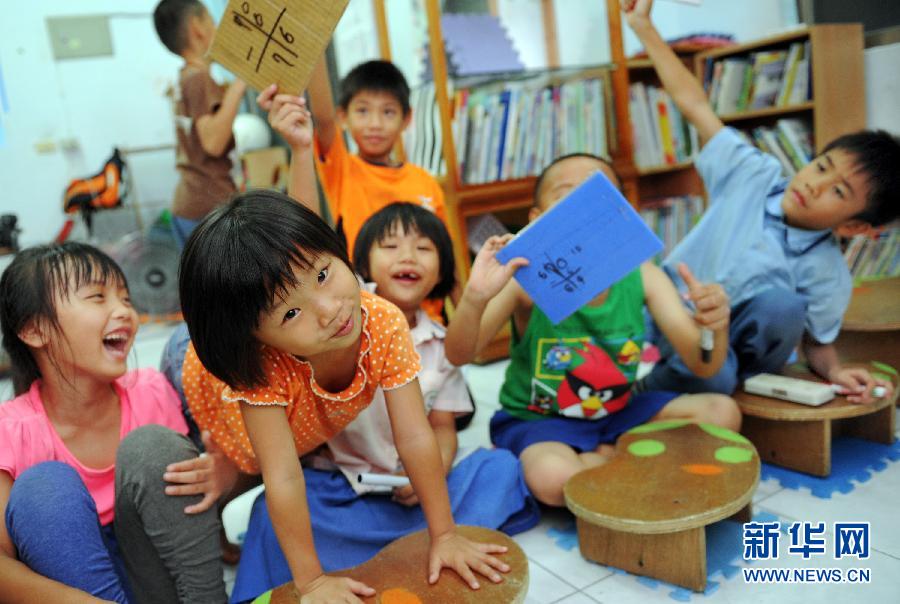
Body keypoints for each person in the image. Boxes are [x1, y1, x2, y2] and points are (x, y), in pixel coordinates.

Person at [177, 190, 511, 603]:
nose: (329, 309)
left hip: (303, 427)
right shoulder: (256, 364)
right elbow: (281, 475)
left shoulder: (383, 321)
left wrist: (444, 535)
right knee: (230, 468)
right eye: (291, 313)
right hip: (203, 371)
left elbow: (415, 436)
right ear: (257, 338)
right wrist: (313, 583)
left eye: (321, 275)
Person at [621, 0, 900, 403]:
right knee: (625, 337)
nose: (814, 185)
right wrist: (644, 27)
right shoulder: (754, 173)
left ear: (854, 227)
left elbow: (816, 345)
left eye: (838, 192)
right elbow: (696, 106)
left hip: (724, 349)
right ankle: (671, 380)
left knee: (783, 307)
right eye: (821, 167)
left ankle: (689, 383)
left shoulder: (828, 274)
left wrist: (837, 371)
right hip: (667, 313)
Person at [445, 154, 742, 507]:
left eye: (594, 192)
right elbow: (460, 354)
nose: (579, 205)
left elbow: (703, 365)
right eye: (565, 193)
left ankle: (605, 457)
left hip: (617, 412)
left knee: (723, 412)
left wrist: (715, 327)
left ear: (622, 216)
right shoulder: (523, 280)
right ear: (537, 221)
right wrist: (475, 298)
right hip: (539, 420)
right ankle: (618, 460)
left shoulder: (642, 274)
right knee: (554, 479)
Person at [0, 242, 231, 603]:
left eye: (125, 298)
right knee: (43, 488)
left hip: (159, 583)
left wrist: (223, 473)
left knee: (152, 447)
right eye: (97, 296)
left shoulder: (150, 392)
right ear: (34, 329)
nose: (124, 310)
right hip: (74, 591)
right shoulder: (10, 430)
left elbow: (188, 512)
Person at [307, 58, 447, 256]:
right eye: (363, 111)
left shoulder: (426, 182)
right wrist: (314, 39)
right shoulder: (341, 169)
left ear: (406, 119)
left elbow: (444, 254)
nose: (375, 124)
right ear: (343, 116)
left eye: (388, 112)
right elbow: (323, 119)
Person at [153, 0, 246, 247]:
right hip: (208, 205)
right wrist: (240, 85)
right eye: (213, 22)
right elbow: (214, 143)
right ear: (198, 28)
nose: (217, 30)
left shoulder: (185, 76)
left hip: (190, 203)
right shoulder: (198, 78)